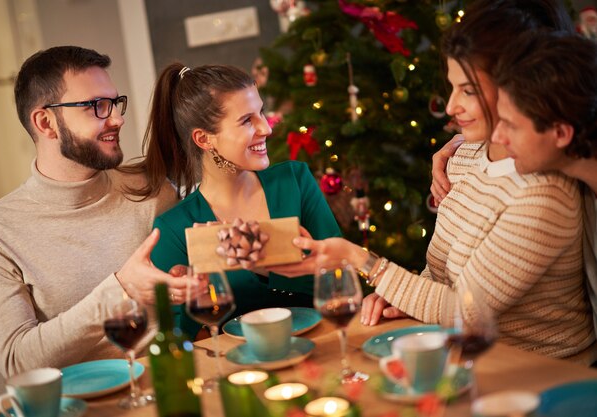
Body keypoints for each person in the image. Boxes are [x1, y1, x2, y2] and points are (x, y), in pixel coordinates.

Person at [283, 0, 595, 363]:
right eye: (452, 87)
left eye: (468, 90)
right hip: (461, 353)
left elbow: (466, 308)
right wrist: (405, 295)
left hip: (536, 370)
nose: (450, 107)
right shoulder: (464, 154)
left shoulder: (545, 191)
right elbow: (441, 273)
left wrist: (364, 261)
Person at [0, 46, 195, 377]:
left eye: (115, 103)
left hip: (171, 385)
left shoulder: (153, 191)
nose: (117, 119)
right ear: (45, 122)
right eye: (95, 107)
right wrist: (122, 289)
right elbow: (17, 364)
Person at [126, 63, 341, 339]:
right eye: (246, 120)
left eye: (260, 112)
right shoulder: (173, 229)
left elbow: (341, 275)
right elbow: (186, 338)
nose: (266, 128)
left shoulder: (294, 180)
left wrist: (270, 260)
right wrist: (194, 296)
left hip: (324, 346)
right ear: (204, 139)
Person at [489, 31, 597, 346]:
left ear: (561, 133)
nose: (497, 137)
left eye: (510, 125)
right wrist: (455, 144)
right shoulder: (577, 172)